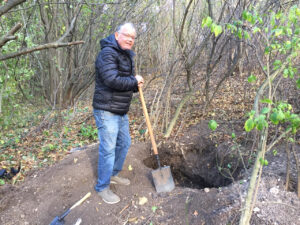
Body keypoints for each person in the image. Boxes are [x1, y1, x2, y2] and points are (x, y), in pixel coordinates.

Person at [92, 22, 144, 204]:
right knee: (108, 149)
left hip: (120, 109)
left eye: (133, 37)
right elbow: (112, 80)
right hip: (106, 109)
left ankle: (113, 174)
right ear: (116, 35)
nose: (130, 39)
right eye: (126, 35)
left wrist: (136, 85)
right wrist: (132, 80)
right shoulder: (107, 53)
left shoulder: (127, 55)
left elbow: (126, 83)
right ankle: (102, 187)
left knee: (124, 142)